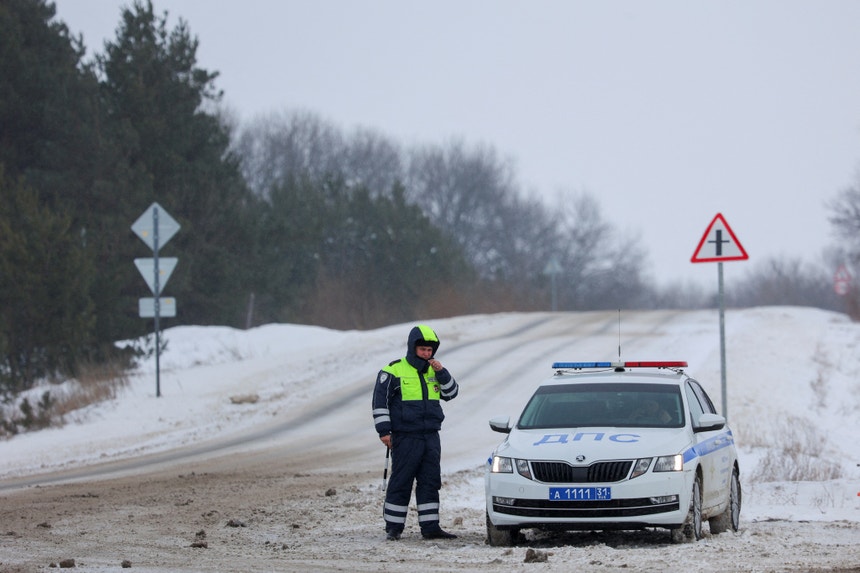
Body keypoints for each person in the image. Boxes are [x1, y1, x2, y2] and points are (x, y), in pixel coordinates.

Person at [371, 324, 460, 541]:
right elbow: (379, 403)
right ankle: (393, 527)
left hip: (430, 436)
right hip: (405, 436)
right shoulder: (393, 370)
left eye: (430, 350)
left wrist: (442, 372)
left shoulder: (435, 371)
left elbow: (452, 393)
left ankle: (430, 528)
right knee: (401, 481)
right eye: (423, 350)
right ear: (413, 348)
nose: (427, 354)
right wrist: (384, 431)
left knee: (430, 481)